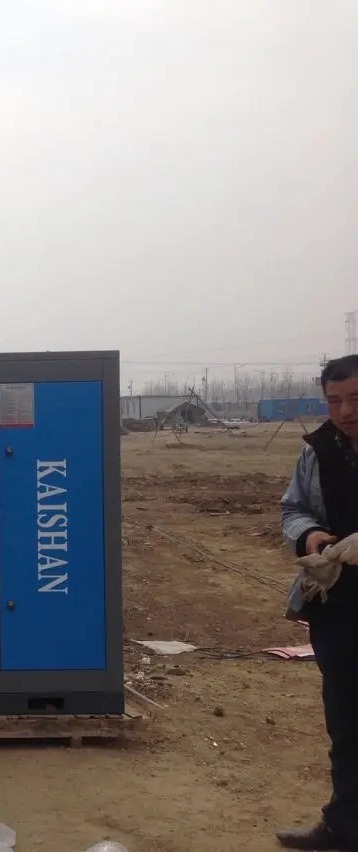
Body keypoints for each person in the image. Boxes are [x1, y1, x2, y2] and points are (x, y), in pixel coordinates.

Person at [278, 353, 358, 850]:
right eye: (334, 400)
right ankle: (343, 826)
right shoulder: (318, 452)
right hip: (338, 607)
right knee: (346, 721)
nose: (345, 412)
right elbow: (293, 508)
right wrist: (308, 535)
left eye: (356, 399)